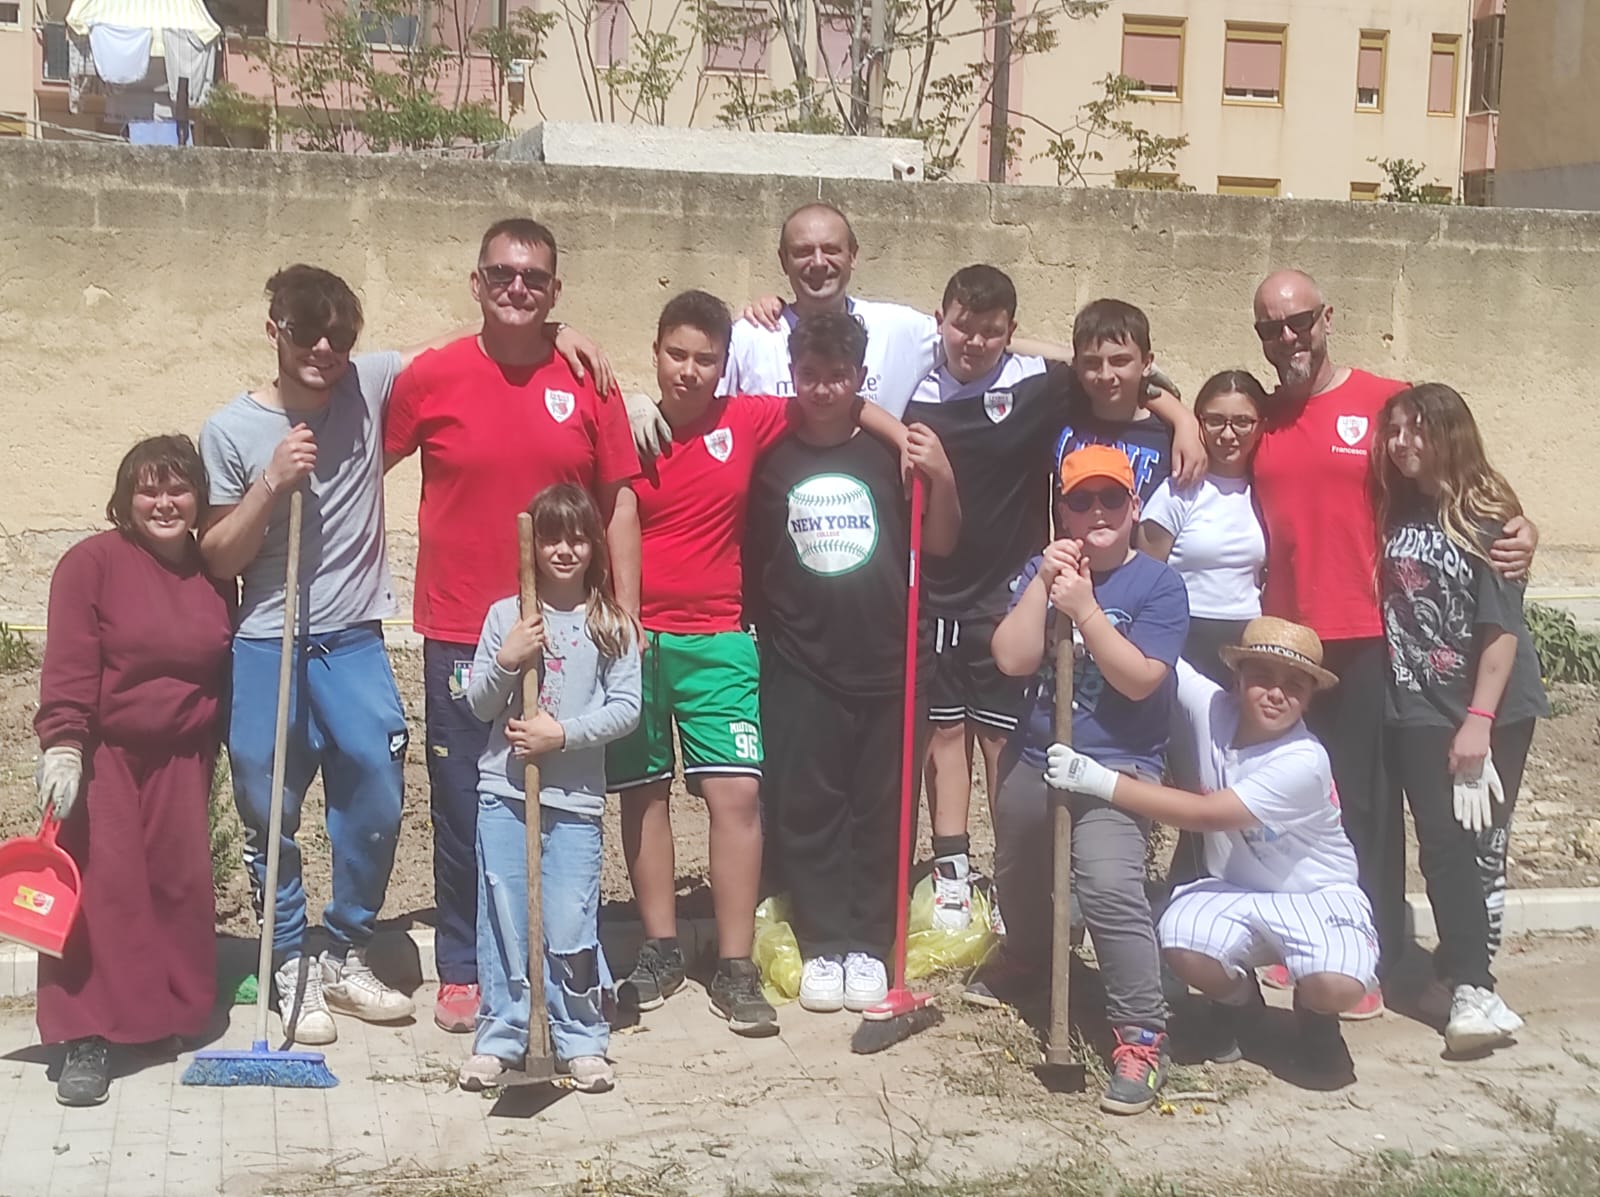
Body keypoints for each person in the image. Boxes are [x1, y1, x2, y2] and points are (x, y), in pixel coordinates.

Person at [1248, 269, 1538, 1016]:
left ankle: (1372, 952)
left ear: (1327, 317)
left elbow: (1460, 471)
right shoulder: (1261, 416)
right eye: (1271, 328)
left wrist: (1520, 528)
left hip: (1374, 639)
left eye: (1299, 321)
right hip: (1288, 642)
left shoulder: (1385, 401)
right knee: (1297, 799)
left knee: (1366, 807)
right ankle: (1311, 936)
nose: (1288, 338)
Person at [383, 218, 640, 1033]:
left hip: (570, 627)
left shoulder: (588, 379)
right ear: (477, 283)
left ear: (555, 290)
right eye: (502, 275)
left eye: (534, 278)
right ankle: (465, 962)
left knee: (565, 798)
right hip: (465, 628)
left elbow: (620, 499)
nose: (518, 288)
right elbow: (363, 455)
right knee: (467, 798)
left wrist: (624, 612)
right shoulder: (434, 375)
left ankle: (568, 963)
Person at [908, 282, 1203, 932]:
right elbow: (1078, 368)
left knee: (1164, 755)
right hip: (1055, 588)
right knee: (1034, 741)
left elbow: (1141, 383)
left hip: (1145, 605)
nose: (1104, 375)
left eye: (1120, 362)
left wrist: (1182, 417)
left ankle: (1172, 889)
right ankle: (1026, 895)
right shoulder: (1064, 412)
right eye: (1091, 363)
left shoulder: (1163, 430)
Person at [200, 265, 439, 1045]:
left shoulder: (367, 384)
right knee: (271, 807)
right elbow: (218, 560)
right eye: (308, 332)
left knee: (376, 786)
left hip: (353, 635)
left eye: (341, 335)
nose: (326, 349)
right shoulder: (230, 431)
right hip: (269, 637)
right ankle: (289, 961)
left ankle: (342, 945)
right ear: (275, 331)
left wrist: (559, 335)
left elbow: (466, 357)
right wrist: (269, 483)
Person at [1043, 617, 1377, 1085]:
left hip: (1317, 893)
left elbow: (1206, 815)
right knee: (1180, 941)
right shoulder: (1214, 708)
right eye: (1262, 678)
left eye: (1293, 685)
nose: (1276, 694)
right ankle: (1241, 1006)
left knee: (1336, 984)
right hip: (1237, 888)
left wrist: (1098, 780)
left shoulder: (1304, 760)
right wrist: (1089, 623)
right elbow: (1162, 662)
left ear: (1310, 694)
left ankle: (1318, 1021)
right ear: (1237, 678)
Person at [746, 311, 960, 1016]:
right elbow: (757, 559)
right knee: (807, 806)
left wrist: (943, 477)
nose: (824, 388)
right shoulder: (772, 460)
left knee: (881, 808)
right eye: (810, 374)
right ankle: (823, 938)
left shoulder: (891, 456)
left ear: (861, 379)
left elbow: (942, 540)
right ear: (793, 373)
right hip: (802, 662)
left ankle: (870, 940)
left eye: (838, 375)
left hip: (889, 662)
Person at [603, 291, 795, 1035]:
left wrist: (914, 443)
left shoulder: (745, 418)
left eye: (705, 358)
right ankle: (659, 947)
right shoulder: (623, 429)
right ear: (655, 352)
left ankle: (736, 963)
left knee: (736, 797)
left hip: (720, 640)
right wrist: (623, 410)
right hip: (637, 641)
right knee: (644, 794)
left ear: (725, 365)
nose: (688, 370)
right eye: (676, 354)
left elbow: (833, 398)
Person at [33, 436, 234, 1107]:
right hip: (106, 757)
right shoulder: (91, 564)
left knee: (176, 888)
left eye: (178, 489)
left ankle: (159, 1017)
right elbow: (68, 661)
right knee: (104, 892)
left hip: (184, 755)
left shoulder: (212, 575)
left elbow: (225, 667)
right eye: (148, 490)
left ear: (199, 499)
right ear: (125, 500)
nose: (164, 502)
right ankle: (84, 1035)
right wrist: (63, 742)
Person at [990, 445, 1190, 1115]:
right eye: (1081, 500)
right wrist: (1045, 589)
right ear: (1063, 508)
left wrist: (1086, 610)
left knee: (1107, 882)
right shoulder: (1043, 571)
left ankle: (1139, 1033)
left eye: (1111, 499)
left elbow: (1140, 678)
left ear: (1135, 508)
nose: (1096, 512)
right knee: (1017, 860)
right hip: (1041, 752)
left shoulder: (1159, 585)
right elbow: (1013, 659)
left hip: (1118, 765)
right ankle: (1029, 955)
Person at [1371, 383, 1546, 1054]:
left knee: (1484, 847)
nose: (1401, 442)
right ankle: (1473, 988)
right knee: (1443, 840)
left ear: (1452, 433)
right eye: (1394, 430)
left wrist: (1478, 719)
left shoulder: (1488, 516)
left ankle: (1467, 973)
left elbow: (1501, 628)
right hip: (1417, 702)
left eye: (1416, 430)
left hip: (1492, 707)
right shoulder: (1393, 506)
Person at [458, 484, 641, 1094]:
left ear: (594, 546)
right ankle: (503, 1033)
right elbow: (481, 706)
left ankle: (580, 1036)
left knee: (570, 919)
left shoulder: (610, 624)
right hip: (505, 796)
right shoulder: (505, 618)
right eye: (551, 537)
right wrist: (510, 659)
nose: (564, 550)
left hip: (574, 802)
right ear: (531, 545)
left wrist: (558, 734)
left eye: (578, 537)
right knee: (505, 918)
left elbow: (627, 709)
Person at [1139, 370, 1269, 684]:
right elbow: (1144, 574)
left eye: (1241, 421)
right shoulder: (1179, 490)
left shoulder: (1265, 491)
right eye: (1215, 420)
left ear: (1260, 426)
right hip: (1184, 637)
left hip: (1247, 641)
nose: (1228, 434)